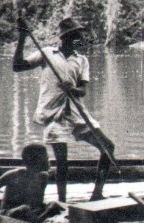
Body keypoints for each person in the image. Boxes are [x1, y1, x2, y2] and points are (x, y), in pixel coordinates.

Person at [13, 16, 116, 204]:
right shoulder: (47, 54)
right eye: (74, 35)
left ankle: (97, 194)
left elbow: (82, 91)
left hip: (76, 113)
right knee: (62, 162)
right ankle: (62, 202)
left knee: (108, 147)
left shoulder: (82, 60)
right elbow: (17, 66)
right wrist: (22, 37)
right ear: (64, 37)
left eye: (78, 35)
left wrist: (73, 89)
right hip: (54, 114)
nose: (77, 38)